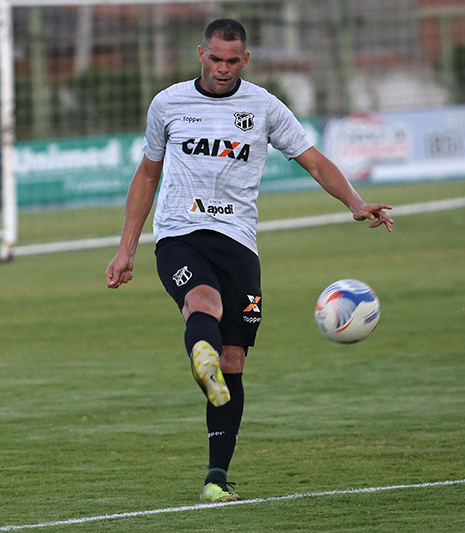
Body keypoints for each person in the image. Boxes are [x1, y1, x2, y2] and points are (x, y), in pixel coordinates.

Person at [105, 18, 394, 503]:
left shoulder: (263, 107)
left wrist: (354, 202)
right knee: (202, 302)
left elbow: (315, 160)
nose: (222, 68)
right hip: (179, 234)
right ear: (200, 53)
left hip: (238, 244)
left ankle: (216, 479)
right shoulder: (168, 103)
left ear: (246, 60)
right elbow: (147, 175)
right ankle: (201, 359)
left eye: (232, 61)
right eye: (214, 59)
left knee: (234, 359)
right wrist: (126, 248)